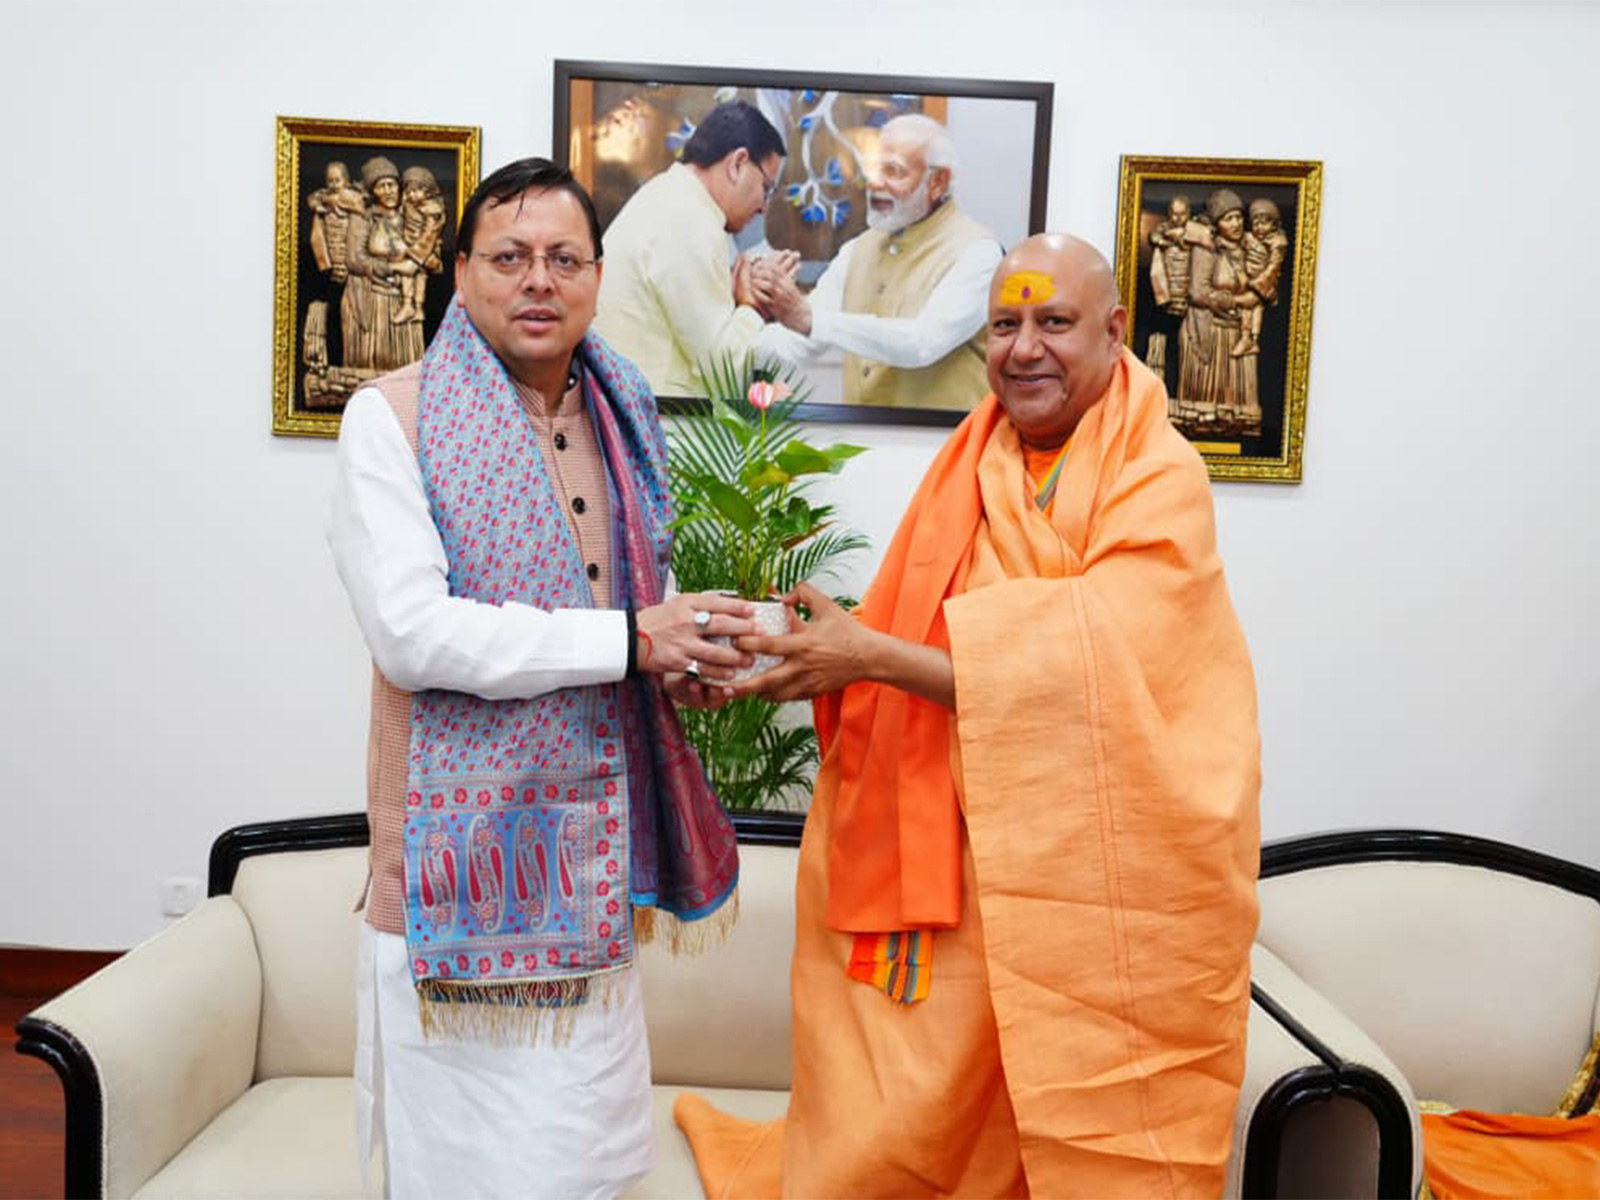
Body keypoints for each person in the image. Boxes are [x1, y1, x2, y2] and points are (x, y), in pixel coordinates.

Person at [675, 233, 1261, 1197]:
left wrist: (867, 655)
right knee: (917, 1096)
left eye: (1054, 322)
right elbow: (921, 620)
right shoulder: (974, 458)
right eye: (1005, 324)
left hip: (1092, 878)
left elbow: (1093, 657)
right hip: (953, 855)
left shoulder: (1160, 476)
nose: (1024, 348)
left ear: (1116, 332)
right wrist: (819, 655)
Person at [326, 156, 757, 1199]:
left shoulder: (625, 414)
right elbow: (414, 635)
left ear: (598, 277)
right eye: (509, 257)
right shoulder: (391, 418)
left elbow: (639, 614)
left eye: (565, 258)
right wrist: (629, 643)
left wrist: (681, 663)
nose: (538, 280)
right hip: (460, 881)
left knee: (591, 1170)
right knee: (469, 1175)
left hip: (593, 877)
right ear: (460, 272)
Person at [753, 113, 1002, 410]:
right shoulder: (856, 250)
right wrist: (730, 339)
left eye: (893, 171)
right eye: (872, 168)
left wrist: (809, 319)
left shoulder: (978, 253)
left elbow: (923, 343)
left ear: (937, 181)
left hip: (945, 448)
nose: (874, 183)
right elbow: (801, 337)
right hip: (863, 444)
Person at [593, 101, 797, 397]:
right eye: (766, 188)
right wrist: (753, 307)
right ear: (738, 163)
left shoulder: (673, 198)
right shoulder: (689, 218)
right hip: (654, 427)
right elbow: (722, 372)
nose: (764, 207)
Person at [342, 156, 426, 373]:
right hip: (372, 301)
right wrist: (394, 267)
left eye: (392, 184)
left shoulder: (410, 215)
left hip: (404, 300)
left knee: (407, 366)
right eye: (381, 186)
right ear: (373, 191)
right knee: (373, 363)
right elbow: (354, 259)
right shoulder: (364, 217)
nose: (388, 190)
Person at [1232, 197, 1289, 358]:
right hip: (1249, 279)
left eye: (1264, 223)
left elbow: (1273, 267)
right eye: (1255, 223)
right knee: (1251, 308)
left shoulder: (1278, 242)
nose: (1259, 228)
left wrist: (1258, 283)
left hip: (1261, 284)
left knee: (1250, 307)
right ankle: (1251, 340)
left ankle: (1248, 338)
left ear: (1274, 224)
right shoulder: (1250, 238)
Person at [393, 164, 447, 325]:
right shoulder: (407, 204)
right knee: (413, 277)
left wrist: (415, 255)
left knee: (414, 275)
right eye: (408, 191)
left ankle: (414, 306)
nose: (412, 195)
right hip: (409, 245)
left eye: (416, 191)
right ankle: (413, 307)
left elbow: (429, 235)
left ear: (428, 190)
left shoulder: (433, 210)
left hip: (424, 252)